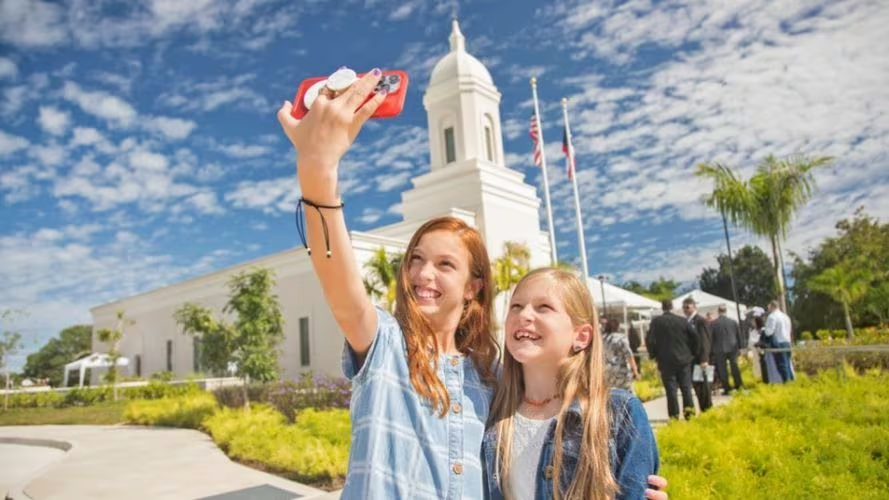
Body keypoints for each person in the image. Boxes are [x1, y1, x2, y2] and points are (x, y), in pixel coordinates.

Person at [276, 70, 669, 499]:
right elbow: (337, 277)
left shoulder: (493, 379)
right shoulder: (385, 346)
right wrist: (318, 169)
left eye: (445, 264)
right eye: (417, 260)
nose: (424, 275)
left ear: (473, 287)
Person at [484, 268, 659, 500]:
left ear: (581, 336)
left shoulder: (619, 414)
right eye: (516, 306)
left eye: (543, 307)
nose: (523, 315)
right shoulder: (491, 412)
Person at [646, 299, 699, 420]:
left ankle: (674, 416)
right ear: (672, 307)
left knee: (671, 390)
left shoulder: (656, 322)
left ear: (662, 308)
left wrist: (653, 354)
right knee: (686, 388)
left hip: (665, 360)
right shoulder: (682, 321)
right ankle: (689, 414)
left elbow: (649, 340)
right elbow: (695, 336)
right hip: (684, 359)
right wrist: (692, 352)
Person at [682, 297, 713, 412]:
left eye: (687, 307)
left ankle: (707, 409)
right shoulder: (687, 321)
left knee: (704, 386)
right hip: (692, 359)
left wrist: (704, 358)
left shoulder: (700, 321)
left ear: (694, 307)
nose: (685, 310)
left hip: (701, 359)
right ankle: (703, 407)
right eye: (684, 307)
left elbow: (705, 340)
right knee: (697, 386)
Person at [710, 304, 744, 394]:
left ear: (718, 311)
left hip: (719, 349)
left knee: (722, 369)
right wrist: (740, 347)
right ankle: (739, 385)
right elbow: (738, 335)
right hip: (733, 348)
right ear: (726, 311)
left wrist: (711, 350)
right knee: (735, 367)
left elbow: (711, 338)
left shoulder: (713, 323)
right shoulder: (733, 322)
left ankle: (727, 388)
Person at [602, 318, 639, 392]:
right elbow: (629, 354)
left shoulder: (603, 339)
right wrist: (635, 371)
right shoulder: (621, 338)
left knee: (612, 394)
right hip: (621, 371)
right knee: (627, 394)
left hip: (607, 371)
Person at [764, 300, 795, 383]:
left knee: (781, 364)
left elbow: (769, 332)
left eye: (768, 307)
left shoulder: (772, 316)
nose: (768, 309)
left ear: (772, 307)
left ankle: (787, 382)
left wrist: (765, 329)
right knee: (788, 364)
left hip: (778, 343)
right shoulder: (785, 316)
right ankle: (791, 381)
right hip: (787, 342)